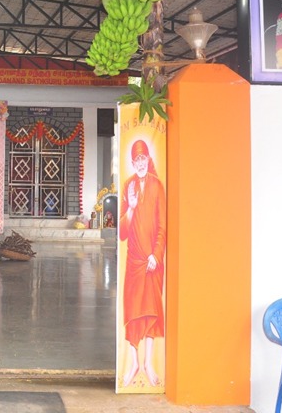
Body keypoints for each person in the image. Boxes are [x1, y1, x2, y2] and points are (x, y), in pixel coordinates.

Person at [119, 139, 166, 387]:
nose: (139, 163)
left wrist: (155, 255)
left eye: (143, 158)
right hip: (134, 261)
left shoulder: (158, 186)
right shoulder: (128, 186)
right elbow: (122, 233)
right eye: (135, 160)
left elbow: (162, 226)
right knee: (133, 311)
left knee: (150, 311)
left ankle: (148, 363)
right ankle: (134, 363)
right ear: (132, 162)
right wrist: (132, 208)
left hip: (151, 261)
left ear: (148, 160)